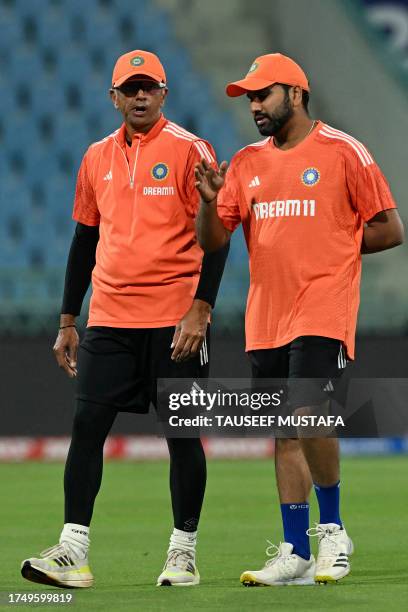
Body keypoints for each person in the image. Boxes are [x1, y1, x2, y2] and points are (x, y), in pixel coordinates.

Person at [21, 49, 229, 588]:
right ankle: (73, 552)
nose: (140, 96)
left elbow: (217, 236)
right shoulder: (95, 158)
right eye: (129, 88)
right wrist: (69, 319)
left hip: (174, 317)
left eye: (149, 87)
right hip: (110, 316)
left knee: (182, 435)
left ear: (164, 93)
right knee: (86, 426)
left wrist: (200, 309)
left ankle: (182, 552)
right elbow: (84, 238)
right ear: (112, 96)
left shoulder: (190, 150)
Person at [195, 53, 404, 586]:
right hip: (266, 317)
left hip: (324, 307)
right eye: (249, 98)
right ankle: (294, 551)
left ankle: (333, 531)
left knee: (311, 412)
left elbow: (390, 228)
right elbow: (213, 240)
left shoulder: (343, 151)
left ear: (297, 92)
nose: (255, 106)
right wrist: (208, 203)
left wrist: (333, 244)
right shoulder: (243, 163)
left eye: (263, 94)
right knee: (285, 433)